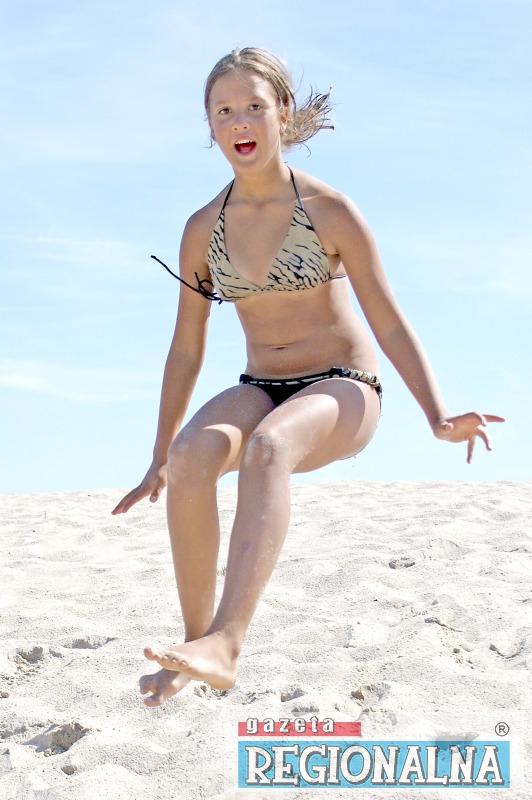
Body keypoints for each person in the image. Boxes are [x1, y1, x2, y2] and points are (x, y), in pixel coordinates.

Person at [111, 47, 504, 707]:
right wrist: (158, 456)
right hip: (261, 385)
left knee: (270, 447)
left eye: (253, 106)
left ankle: (228, 641)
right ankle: (195, 647)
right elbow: (186, 349)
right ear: (209, 125)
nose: (239, 121)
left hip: (344, 387)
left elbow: (389, 322)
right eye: (223, 111)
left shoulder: (328, 210)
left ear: (282, 113)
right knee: (191, 455)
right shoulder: (202, 229)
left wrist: (437, 415)